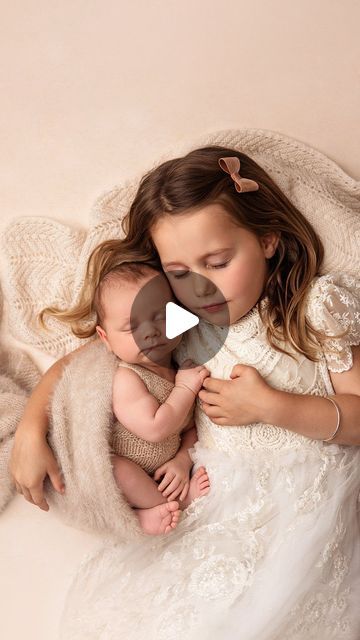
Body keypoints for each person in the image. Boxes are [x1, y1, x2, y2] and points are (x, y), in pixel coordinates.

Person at [11, 147, 360, 639]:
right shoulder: (182, 322)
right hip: (212, 497)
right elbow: (84, 362)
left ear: (268, 239)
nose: (199, 287)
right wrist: (31, 429)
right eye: (178, 272)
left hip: (303, 505)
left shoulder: (313, 311)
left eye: (217, 261)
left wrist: (273, 407)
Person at [38, 243, 211, 535]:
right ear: (105, 339)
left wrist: (182, 462)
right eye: (132, 327)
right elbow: (156, 428)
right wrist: (184, 389)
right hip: (117, 470)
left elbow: (191, 428)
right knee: (115, 472)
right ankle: (157, 509)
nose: (150, 332)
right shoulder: (127, 378)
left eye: (160, 316)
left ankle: (157, 503)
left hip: (156, 469)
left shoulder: (180, 368)